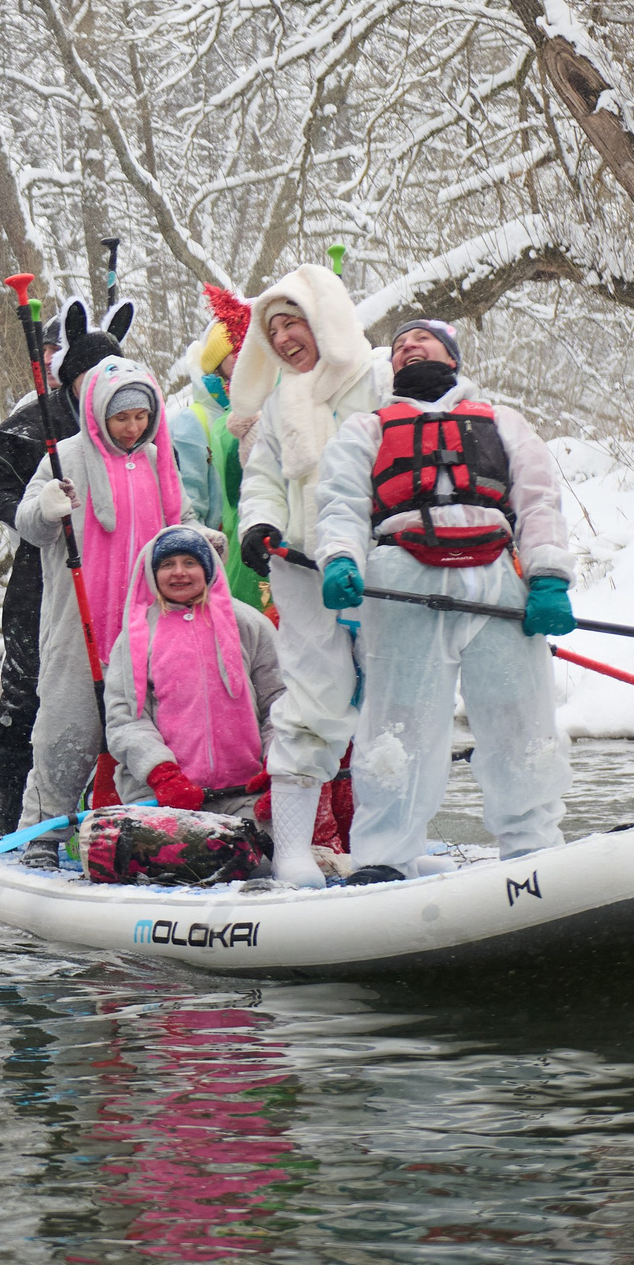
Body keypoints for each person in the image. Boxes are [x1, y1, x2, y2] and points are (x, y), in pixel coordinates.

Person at [306, 318, 575, 883]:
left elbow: (539, 502)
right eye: (399, 345)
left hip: (498, 580)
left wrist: (549, 578)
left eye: (421, 340)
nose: (409, 348)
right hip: (403, 580)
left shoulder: (503, 422)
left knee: (520, 724)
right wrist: (341, 561)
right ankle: (384, 858)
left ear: (451, 356)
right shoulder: (366, 427)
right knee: (396, 731)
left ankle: (532, 846)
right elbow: (340, 505)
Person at [227, 264, 386, 879]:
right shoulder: (278, 404)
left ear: (326, 321)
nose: (286, 338)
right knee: (311, 701)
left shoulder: (380, 380)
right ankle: (294, 853)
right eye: (275, 331)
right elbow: (264, 477)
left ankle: (384, 848)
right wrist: (258, 528)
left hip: (382, 571)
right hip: (302, 569)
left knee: (389, 707)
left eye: (295, 322)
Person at [12, 352, 187, 862]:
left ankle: (150, 834)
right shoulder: (63, 457)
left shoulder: (159, 460)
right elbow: (28, 523)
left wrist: (199, 541)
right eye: (121, 417)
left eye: (142, 417)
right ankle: (40, 836)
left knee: (145, 731)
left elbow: (180, 521)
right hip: (78, 622)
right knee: (66, 732)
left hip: (147, 626)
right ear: (97, 414)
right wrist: (45, 509)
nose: (133, 428)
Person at [0, 297, 136, 838]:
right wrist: (34, 511)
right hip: (39, 576)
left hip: (110, 583)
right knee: (23, 690)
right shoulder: (31, 425)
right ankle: (4, 807)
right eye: (87, 374)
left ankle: (102, 804)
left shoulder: (134, 425)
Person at [103, 526, 282, 819]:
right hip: (161, 796)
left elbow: (279, 700)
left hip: (244, 792)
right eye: (167, 565)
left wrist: (277, 766)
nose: (179, 573)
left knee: (255, 860)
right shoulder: (136, 636)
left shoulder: (249, 623)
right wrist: (162, 774)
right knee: (177, 861)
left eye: (190, 563)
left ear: (208, 567)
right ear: (151, 573)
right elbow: (124, 718)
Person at [170, 286, 263, 609]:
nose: (245, 358)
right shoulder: (193, 420)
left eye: (250, 348)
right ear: (218, 362)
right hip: (222, 555)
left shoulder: (272, 400)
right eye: (235, 351)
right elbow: (189, 502)